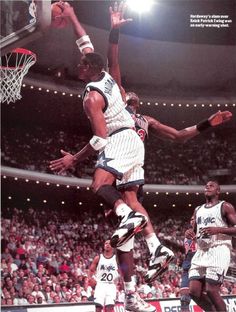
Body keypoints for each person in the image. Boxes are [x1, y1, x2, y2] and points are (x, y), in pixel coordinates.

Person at [106, 0, 233, 287]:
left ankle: (152, 254)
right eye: (128, 93)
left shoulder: (146, 119)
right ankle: (151, 256)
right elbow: (113, 65)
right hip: (116, 159)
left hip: (131, 165)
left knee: (131, 204)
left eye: (135, 96)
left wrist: (206, 123)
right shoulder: (117, 106)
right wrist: (114, 33)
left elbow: (177, 135)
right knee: (126, 219)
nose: (132, 94)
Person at [48, 3, 164, 310]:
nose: (78, 62)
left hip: (119, 141)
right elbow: (99, 47)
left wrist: (75, 157)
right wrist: (74, 16)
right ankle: (136, 287)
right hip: (131, 144)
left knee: (99, 184)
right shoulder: (109, 76)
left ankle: (132, 220)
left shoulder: (92, 96)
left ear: (87, 69)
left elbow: (100, 138)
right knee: (124, 235)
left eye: (81, 62)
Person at [188, 180, 236, 312]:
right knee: (193, 292)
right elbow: (195, 230)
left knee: (211, 290)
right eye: (206, 186)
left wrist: (219, 229)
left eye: (211, 186)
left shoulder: (225, 206)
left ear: (218, 191)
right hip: (201, 251)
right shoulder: (198, 209)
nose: (207, 187)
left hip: (218, 250)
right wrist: (190, 232)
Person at [88, 240, 119, 312]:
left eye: (110, 244)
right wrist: (90, 279)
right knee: (98, 308)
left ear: (113, 246)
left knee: (109, 308)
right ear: (104, 246)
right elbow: (91, 270)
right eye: (106, 243)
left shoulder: (117, 259)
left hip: (111, 285)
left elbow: (124, 269)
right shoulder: (98, 258)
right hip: (100, 285)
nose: (107, 245)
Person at [179, 217, 197, 312]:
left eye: (195, 218)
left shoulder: (204, 232)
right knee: (184, 299)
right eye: (191, 219)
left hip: (200, 267)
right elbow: (187, 252)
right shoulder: (186, 235)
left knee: (207, 298)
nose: (192, 220)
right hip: (187, 267)